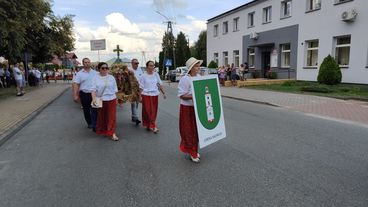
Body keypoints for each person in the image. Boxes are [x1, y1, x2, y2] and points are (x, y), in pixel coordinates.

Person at [177, 57, 202, 163]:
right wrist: (194, 96)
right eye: (196, 66)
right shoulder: (185, 79)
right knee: (189, 130)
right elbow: (181, 95)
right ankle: (192, 152)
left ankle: (194, 149)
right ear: (191, 68)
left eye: (198, 65)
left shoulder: (200, 77)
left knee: (197, 130)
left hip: (197, 108)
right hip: (187, 108)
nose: (198, 68)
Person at [91, 62, 119, 141]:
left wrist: (116, 99)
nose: (105, 70)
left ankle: (112, 133)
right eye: (103, 68)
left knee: (112, 117)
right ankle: (105, 130)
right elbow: (93, 90)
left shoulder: (111, 77)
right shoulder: (95, 78)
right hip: (101, 100)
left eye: (106, 68)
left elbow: (115, 89)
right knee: (102, 117)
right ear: (99, 69)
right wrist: (94, 100)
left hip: (111, 99)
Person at [139, 60, 166, 133]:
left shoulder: (156, 74)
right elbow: (141, 87)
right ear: (147, 67)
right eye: (150, 65)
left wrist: (163, 93)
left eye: (153, 65)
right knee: (148, 111)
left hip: (154, 95)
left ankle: (149, 124)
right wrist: (140, 96)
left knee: (154, 111)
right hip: (146, 95)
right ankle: (153, 126)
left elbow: (159, 84)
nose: (152, 67)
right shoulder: (143, 76)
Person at [73, 58, 98, 130]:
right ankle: (89, 123)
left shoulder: (95, 73)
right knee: (86, 110)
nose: (87, 63)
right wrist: (75, 95)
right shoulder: (79, 74)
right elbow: (76, 84)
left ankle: (95, 124)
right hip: (84, 94)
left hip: (94, 94)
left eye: (88, 62)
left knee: (95, 109)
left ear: (90, 63)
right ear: (83, 63)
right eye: (85, 62)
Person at [129, 58, 144, 125]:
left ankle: (133, 116)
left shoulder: (140, 69)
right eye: (135, 63)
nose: (137, 64)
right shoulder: (129, 70)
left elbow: (142, 79)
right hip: (132, 89)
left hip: (139, 89)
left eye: (137, 63)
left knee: (137, 103)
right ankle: (136, 117)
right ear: (132, 63)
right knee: (133, 103)